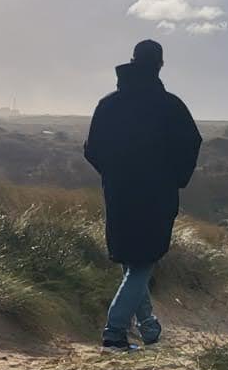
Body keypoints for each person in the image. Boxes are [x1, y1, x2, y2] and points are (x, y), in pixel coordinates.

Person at [83, 39, 202, 351]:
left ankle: (149, 328)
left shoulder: (109, 104)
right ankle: (114, 332)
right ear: (160, 65)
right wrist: (174, 178)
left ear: (132, 61)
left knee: (133, 259)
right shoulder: (170, 106)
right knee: (143, 261)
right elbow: (192, 144)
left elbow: (92, 149)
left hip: (119, 192)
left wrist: (113, 174)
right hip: (156, 194)